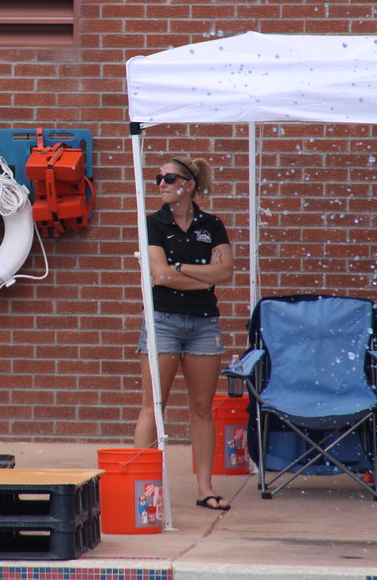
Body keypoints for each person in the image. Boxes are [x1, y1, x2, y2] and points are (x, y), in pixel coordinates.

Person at [134, 156, 234, 512]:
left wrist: (181, 269)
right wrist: (199, 272)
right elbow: (160, 275)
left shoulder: (212, 224)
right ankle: (144, 488)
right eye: (158, 177)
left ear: (188, 185)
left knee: (202, 409)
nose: (161, 183)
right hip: (163, 320)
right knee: (153, 407)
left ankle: (205, 488)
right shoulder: (154, 224)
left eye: (169, 177)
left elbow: (225, 273)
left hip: (204, 323)